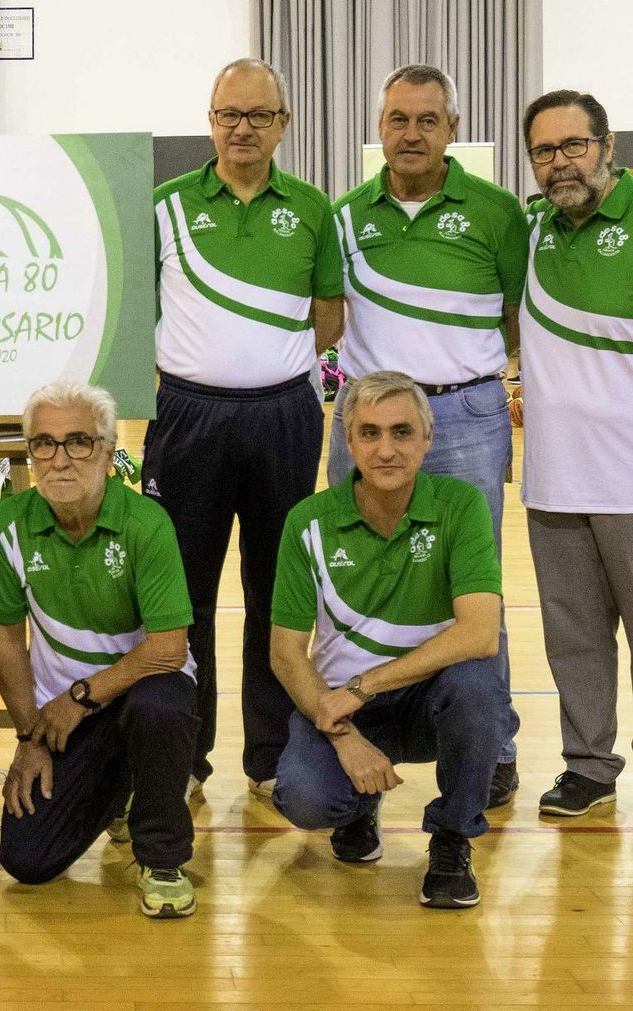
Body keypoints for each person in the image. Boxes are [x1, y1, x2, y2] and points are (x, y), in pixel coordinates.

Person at [144, 58, 343, 799]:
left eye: (259, 115)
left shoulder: (314, 209)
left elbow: (329, 317)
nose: (242, 128)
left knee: (276, 589)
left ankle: (268, 758)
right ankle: (185, 757)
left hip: (283, 416)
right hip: (186, 418)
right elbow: (142, 313)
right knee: (182, 590)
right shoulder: (164, 205)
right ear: (210, 120)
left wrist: (264, 368)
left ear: (284, 124)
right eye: (229, 113)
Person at [329, 64, 525, 806]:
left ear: (452, 129)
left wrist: (487, 380)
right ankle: (356, 726)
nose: (411, 133)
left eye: (427, 120)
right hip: (367, 422)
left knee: (473, 583)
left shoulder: (497, 211)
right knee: (355, 577)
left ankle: (495, 745)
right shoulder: (345, 216)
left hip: (467, 417)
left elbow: (514, 316)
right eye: (397, 120)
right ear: (379, 128)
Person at [270, 371, 506, 909]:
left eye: (402, 433)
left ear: (428, 439)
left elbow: (479, 632)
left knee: (478, 694)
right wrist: (345, 736)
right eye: (370, 433)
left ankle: (452, 839)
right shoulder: (307, 521)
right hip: (345, 710)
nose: (386, 450)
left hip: (427, 701)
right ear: (348, 442)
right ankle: (357, 806)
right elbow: (285, 655)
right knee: (304, 799)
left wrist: (362, 685)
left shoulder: (460, 505)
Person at [0, 381, 199, 917]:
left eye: (78, 442)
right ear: (29, 451)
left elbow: (170, 648)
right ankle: (120, 787)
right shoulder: (10, 524)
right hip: (64, 718)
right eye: (43, 443)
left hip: (136, 693)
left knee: (162, 705)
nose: (59, 459)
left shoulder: (146, 524)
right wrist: (30, 736)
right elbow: (7, 639)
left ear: (107, 452)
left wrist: (81, 696)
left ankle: (162, 856)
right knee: (27, 861)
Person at [515, 90, 633, 817]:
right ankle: (588, 767)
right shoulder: (531, 228)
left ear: (607, 145)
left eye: (573, 146)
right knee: (575, 639)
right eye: (544, 151)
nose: (560, 163)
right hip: (556, 481)